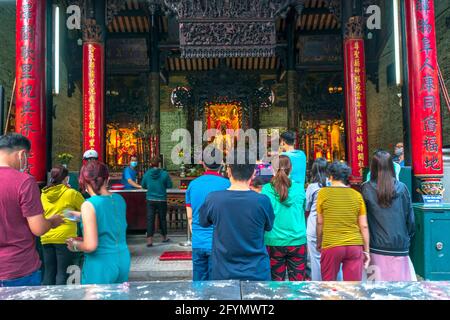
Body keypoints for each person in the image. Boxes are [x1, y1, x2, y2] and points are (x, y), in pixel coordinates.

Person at [199, 148, 275, 281]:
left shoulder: (213, 199)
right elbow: (269, 227)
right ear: (253, 173)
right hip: (256, 272)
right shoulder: (262, 201)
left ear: (228, 171)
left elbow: (203, 222)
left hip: (223, 273)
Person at [0, 133, 63, 287]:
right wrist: (52, 221)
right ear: (21, 154)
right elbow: (38, 228)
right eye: (27, 156)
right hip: (18, 268)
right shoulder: (24, 181)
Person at [66, 161, 130, 285]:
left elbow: (90, 246)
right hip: (122, 259)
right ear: (107, 179)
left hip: (100, 263)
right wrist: (78, 216)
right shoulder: (119, 200)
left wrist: (74, 244)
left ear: (83, 182)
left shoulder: (89, 204)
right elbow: (108, 218)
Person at [361, 150, 416, 281]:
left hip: (375, 247)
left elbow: (363, 221)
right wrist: (406, 238)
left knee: (374, 290)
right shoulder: (402, 188)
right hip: (399, 246)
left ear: (372, 167)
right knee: (400, 290)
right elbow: (410, 220)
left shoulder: (366, 188)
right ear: (391, 166)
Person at [316, 161, 370, 281]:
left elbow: (320, 222)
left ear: (330, 176)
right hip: (354, 245)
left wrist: (319, 242)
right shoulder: (357, 195)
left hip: (331, 244)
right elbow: (364, 226)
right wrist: (366, 251)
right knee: (352, 288)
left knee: (329, 286)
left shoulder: (323, 193)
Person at [185, 149, 230, 281]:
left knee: (199, 283)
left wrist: (197, 233)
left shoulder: (193, 185)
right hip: (219, 243)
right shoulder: (227, 184)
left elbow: (189, 216)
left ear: (203, 163)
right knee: (216, 284)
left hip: (198, 241)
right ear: (221, 163)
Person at [262, 155, 307, 281]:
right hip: (297, 241)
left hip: (273, 241)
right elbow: (303, 209)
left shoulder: (266, 190)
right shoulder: (299, 188)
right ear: (290, 169)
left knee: (275, 286)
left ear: (272, 169)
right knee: (298, 286)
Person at [40, 165, 85, 285]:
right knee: (62, 273)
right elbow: (87, 212)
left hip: (46, 237)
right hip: (65, 239)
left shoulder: (44, 194)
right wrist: (69, 215)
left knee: (49, 273)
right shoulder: (71, 193)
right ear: (66, 179)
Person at [305, 157, 328, 281]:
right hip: (331, 227)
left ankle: (318, 287)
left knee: (316, 260)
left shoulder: (312, 187)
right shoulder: (331, 183)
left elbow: (306, 207)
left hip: (314, 227)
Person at [141, 161, 173, 246]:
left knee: (150, 219)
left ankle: (149, 241)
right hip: (162, 199)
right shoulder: (164, 174)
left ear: (151, 164)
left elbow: (143, 185)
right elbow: (170, 185)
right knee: (162, 218)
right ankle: (164, 237)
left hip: (150, 199)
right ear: (159, 164)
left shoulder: (147, 173)